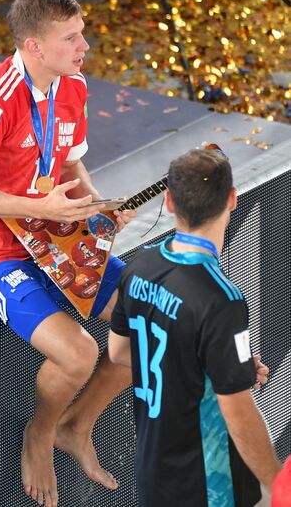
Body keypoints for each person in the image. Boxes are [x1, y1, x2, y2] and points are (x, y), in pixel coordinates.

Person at [0, 0, 137, 507]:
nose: (85, 46)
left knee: (145, 320)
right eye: (71, 37)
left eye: (82, 33)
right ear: (33, 46)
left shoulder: (70, 85)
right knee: (79, 353)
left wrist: (96, 205)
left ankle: (77, 426)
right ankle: (41, 432)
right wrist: (47, 210)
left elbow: (68, 163)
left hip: (51, 236)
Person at [108, 148, 282, 507]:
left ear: (169, 201)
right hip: (209, 487)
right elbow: (237, 413)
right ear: (232, 199)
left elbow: (120, 351)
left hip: (153, 476)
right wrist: (279, 486)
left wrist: (222, 367)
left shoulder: (140, 265)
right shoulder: (222, 300)